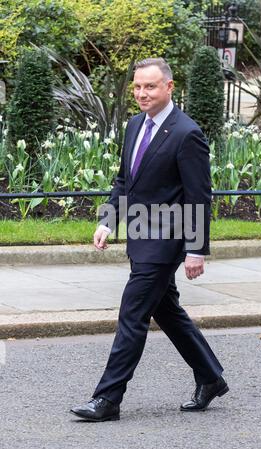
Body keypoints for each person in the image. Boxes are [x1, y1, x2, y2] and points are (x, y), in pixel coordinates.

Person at [71, 58, 228, 422]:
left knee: (132, 313)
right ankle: (210, 377)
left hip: (166, 241)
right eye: (138, 87)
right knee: (167, 310)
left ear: (169, 88)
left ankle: (107, 399)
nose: (142, 93)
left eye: (150, 87)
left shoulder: (187, 133)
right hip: (141, 234)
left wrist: (196, 249)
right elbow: (125, 180)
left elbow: (199, 196)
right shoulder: (134, 125)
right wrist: (108, 221)